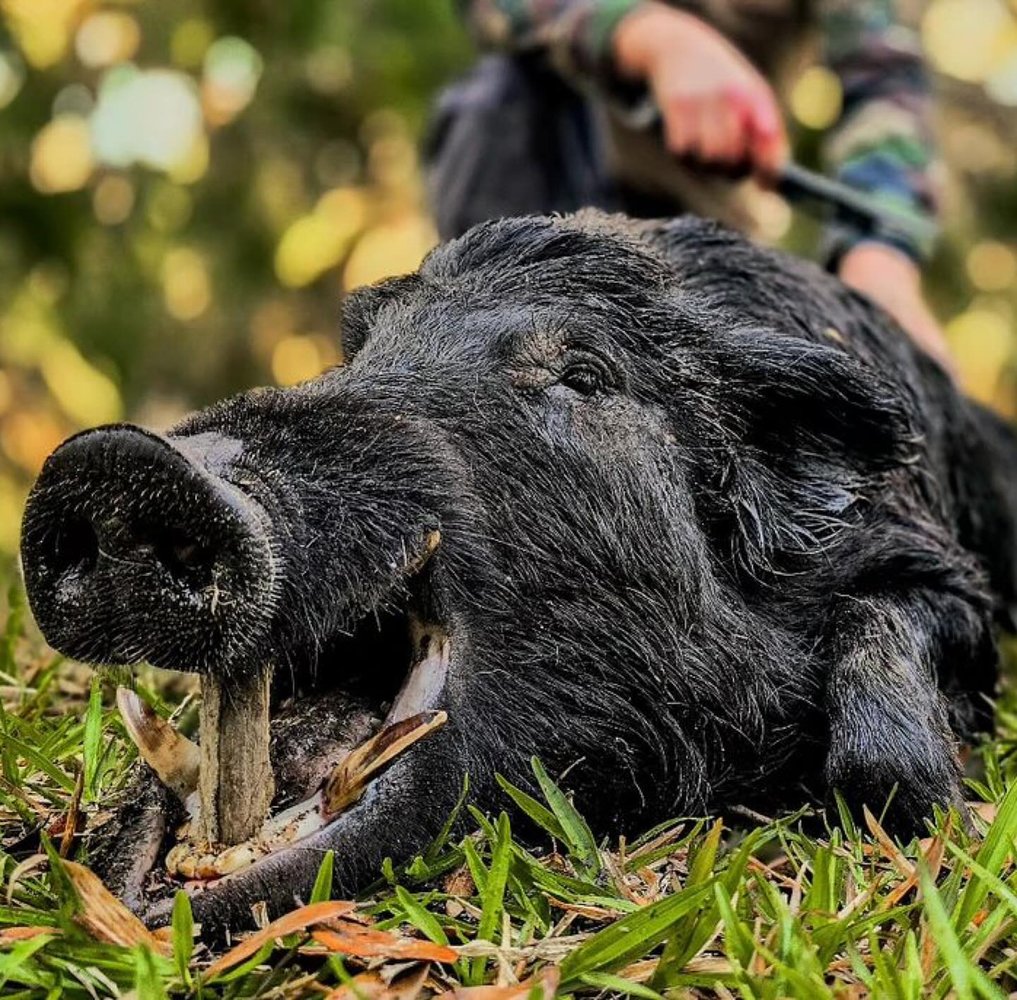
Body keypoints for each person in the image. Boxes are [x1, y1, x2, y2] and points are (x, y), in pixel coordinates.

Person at [449, 0, 953, 370]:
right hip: (532, 185)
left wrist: (880, 254)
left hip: (698, 233)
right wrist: (647, 34)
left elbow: (887, 80)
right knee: (496, 92)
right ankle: (474, 332)